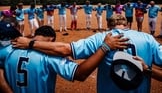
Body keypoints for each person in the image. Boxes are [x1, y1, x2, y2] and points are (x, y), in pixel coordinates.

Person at [13, 14, 162, 93]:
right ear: (127, 25)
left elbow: (65, 49)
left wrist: (30, 43)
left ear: (109, 26)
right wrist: (148, 70)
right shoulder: (148, 38)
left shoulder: (102, 37)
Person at [0, 17, 129, 93]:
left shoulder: (9, 50)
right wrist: (105, 47)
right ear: (51, 41)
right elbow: (80, 74)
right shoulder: (50, 57)